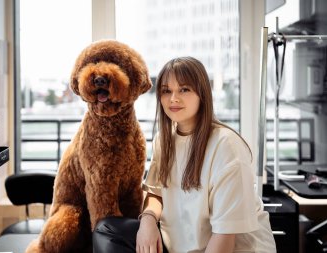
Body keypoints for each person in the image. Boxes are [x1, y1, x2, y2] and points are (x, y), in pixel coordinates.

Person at [93, 56, 276, 253]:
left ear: (202, 94)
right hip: (182, 244)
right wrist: (148, 221)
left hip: (229, 248)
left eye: (184, 89)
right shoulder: (164, 140)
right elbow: (155, 192)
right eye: (166, 91)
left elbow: (224, 237)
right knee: (107, 230)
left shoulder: (226, 146)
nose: (174, 98)